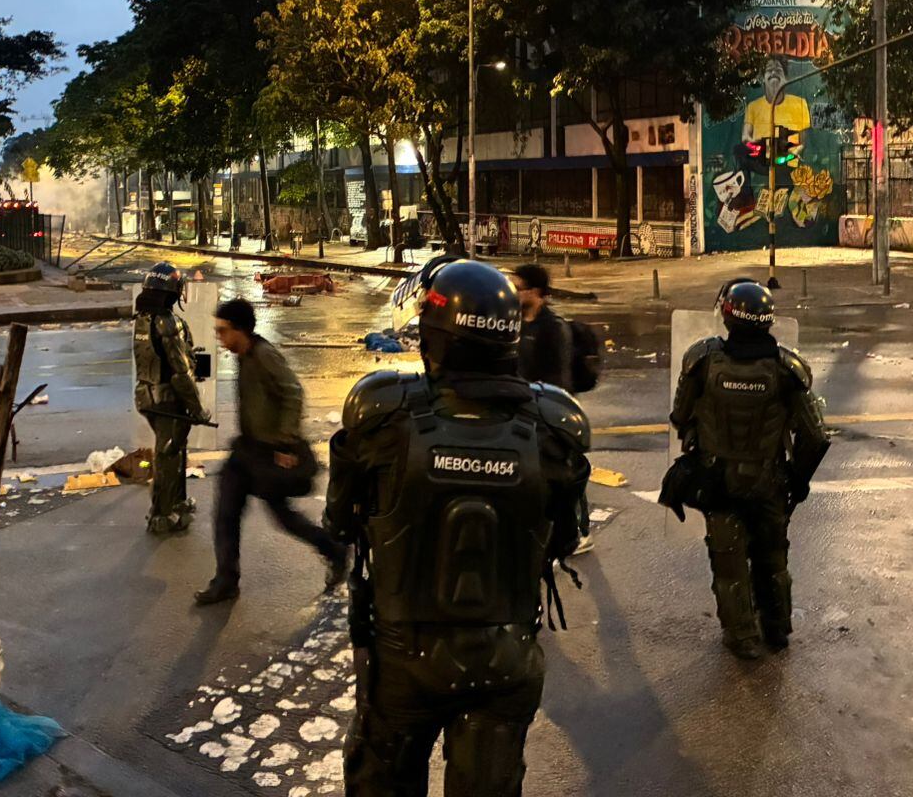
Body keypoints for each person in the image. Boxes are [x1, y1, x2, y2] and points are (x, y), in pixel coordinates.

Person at [325, 259, 591, 797]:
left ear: (433, 336)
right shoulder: (554, 427)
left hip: (402, 658)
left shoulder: (382, 414)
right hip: (503, 657)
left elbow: (341, 520)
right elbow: (566, 537)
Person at [670, 279, 830, 658]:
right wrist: (797, 480)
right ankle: (777, 630)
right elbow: (816, 436)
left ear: (727, 315)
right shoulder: (787, 368)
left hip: (718, 481)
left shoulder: (701, 360)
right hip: (769, 482)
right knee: (772, 557)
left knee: (728, 563)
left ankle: (741, 637)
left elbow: (679, 415)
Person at [195, 298, 346, 606]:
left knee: (284, 517)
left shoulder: (264, 355)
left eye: (223, 331)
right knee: (226, 513)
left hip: (268, 452)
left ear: (240, 330)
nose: (219, 338)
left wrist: (286, 443)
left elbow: (293, 392)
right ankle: (226, 579)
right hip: (246, 450)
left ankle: (334, 549)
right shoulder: (244, 354)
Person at [511, 261, 593, 555]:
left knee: (566, 472)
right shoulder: (517, 322)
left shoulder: (554, 328)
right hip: (524, 409)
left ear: (535, 292)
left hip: (551, 412)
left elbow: (560, 379)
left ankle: (582, 530)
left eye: (518, 288)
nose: (513, 294)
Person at [133, 261, 208, 535]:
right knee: (168, 455)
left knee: (175, 450)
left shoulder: (142, 319)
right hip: (166, 400)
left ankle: (176, 501)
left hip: (146, 395)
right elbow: (180, 373)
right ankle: (161, 514)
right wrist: (197, 408)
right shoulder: (168, 323)